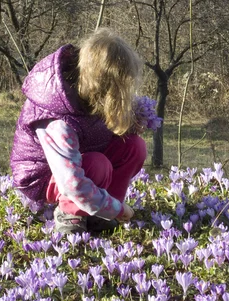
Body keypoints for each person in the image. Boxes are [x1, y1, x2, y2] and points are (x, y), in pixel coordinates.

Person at [10, 28, 147, 234]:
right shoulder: (58, 120)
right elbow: (70, 180)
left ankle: (99, 212)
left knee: (133, 146)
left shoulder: (88, 94)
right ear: (104, 90)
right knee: (97, 165)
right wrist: (116, 210)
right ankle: (71, 213)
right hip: (43, 176)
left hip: (77, 161)